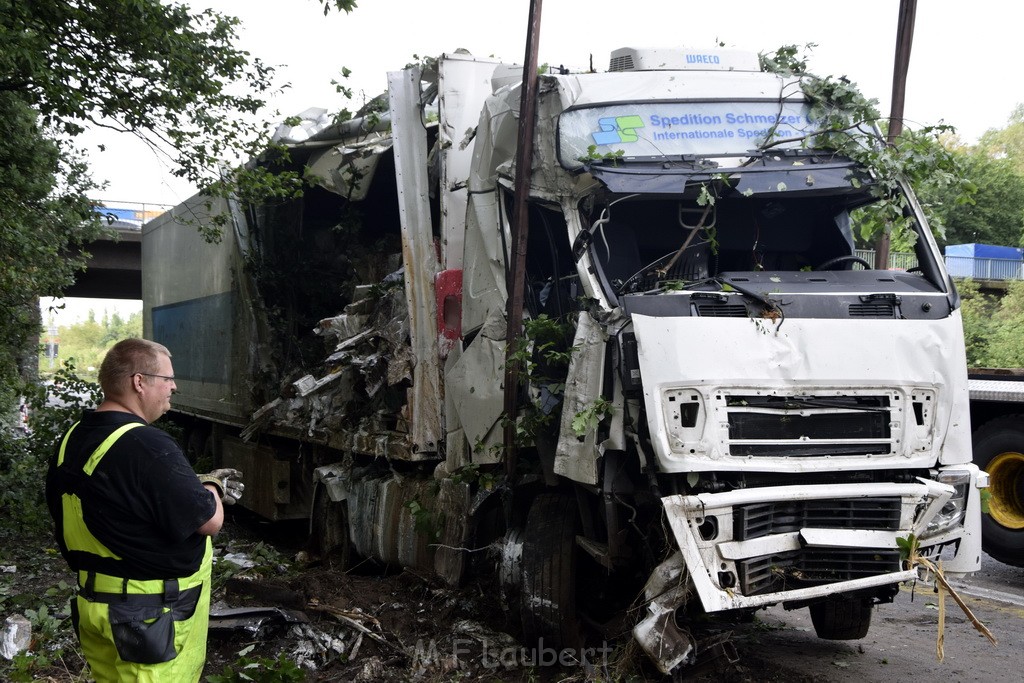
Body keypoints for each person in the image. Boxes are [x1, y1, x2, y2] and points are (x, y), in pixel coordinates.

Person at [45, 338, 243, 682]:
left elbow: (118, 501)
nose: (174, 386)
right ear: (140, 382)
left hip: (97, 609)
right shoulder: (146, 444)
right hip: (149, 618)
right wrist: (212, 486)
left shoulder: (73, 438)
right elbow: (209, 521)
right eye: (167, 378)